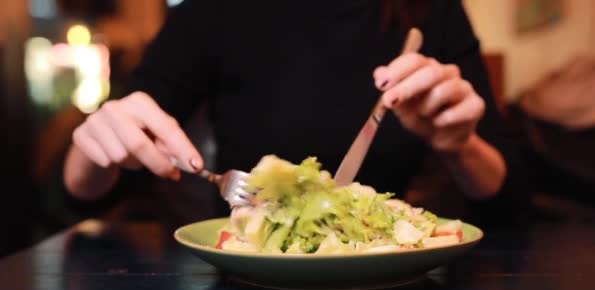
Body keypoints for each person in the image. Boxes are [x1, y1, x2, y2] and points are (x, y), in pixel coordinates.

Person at [63, 0, 527, 224]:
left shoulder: (431, 9)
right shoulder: (212, 12)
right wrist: (99, 145)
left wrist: (459, 145)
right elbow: (87, 192)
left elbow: (508, 198)